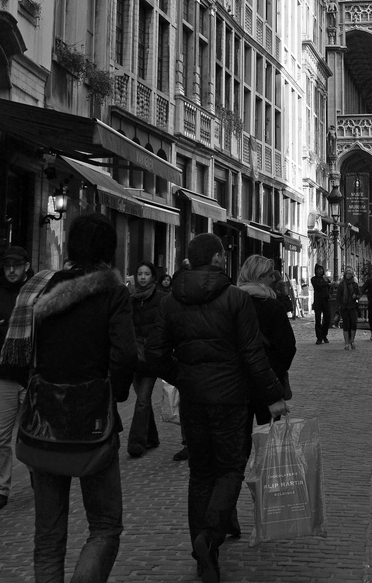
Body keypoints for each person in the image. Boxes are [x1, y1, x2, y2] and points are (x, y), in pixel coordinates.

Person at [1, 213, 137, 583]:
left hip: (43, 417)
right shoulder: (112, 291)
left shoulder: (38, 287)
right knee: (105, 526)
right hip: (93, 417)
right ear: (108, 250)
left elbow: (21, 354)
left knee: (48, 536)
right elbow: (125, 355)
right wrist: (115, 392)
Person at [146, 233, 287, 583]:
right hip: (229, 398)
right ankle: (209, 538)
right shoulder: (235, 299)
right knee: (230, 468)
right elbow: (253, 355)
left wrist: (184, 377)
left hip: (194, 400)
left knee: (201, 472)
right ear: (219, 259)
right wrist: (273, 396)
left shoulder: (170, 301)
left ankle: (202, 555)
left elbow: (154, 354)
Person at [234, 255, 296, 540]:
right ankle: (269, 510)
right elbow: (287, 346)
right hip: (266, 388)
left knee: (236, 454)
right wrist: (275, 373)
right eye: (273, 275)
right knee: (269, 453)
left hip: (235, 387)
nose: (278, 279)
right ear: (261, 277)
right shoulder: (271, 306)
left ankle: (226, 513)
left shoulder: (231, 303)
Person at [0, 245, 32, 511]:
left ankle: (40, 479)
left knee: (34, 433)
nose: (11, 270)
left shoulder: (35, 293)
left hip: (31, 373)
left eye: (16, 265)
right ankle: (0, 487)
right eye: (8, 265)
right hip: (2, 374)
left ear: (25, 266)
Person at [127, 260, 165, 458]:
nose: (142, 277)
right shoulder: (130, 300)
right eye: (139, 274)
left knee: (142, 400)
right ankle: (152, 437)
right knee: (144, 402)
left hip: (150, 357)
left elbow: (162, 327)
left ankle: (136, 443)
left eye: (146, 274)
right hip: (134, 357)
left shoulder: (161, 299)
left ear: (153, 277)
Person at [336, 266, 360, 350]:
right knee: (346, 324)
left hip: (353, 306)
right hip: (344, 307)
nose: (348, 275)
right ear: (345, 274)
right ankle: (346, 343)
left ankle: (352, 341)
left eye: (350, 273)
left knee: (353, 323)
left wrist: (356, 296)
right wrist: (340, 306)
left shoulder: (355, 284)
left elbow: (358, 295)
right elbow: (338, 297)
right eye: (347, 273)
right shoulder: (341, 285)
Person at [310, 263, 332, 344]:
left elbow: (330, 286)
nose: (320, 271)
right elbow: (318, 286)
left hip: (325, 300)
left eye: (321, 269)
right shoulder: (313, 279)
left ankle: (324, 335)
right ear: (316, 271)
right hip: (318, 301)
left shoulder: (325, 278)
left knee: (327, 318)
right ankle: (319, 337)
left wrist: (329, 293)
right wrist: (327, 284)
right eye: (319, 269)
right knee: (318, 319)